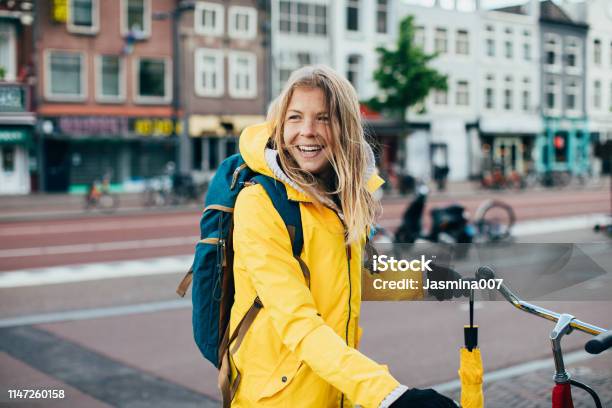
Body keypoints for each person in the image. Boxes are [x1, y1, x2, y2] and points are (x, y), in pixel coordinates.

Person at [229, 65, 457, 407]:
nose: (307, 131)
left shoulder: (336, 199)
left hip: (334, 390)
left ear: (344, 127)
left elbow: (350, 279)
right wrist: (389, 395)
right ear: (279, 124)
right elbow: (297, 321)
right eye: (294, 117)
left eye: (323, 118)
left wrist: (429, 280)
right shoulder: (260, 203)